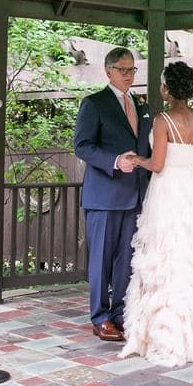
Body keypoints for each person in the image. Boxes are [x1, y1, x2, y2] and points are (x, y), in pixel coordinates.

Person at [118, 61, 193, 367]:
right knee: (190, 256)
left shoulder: (162, 120)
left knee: (164, 255)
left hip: (167, 190)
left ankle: (164, 334)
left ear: (168, 89)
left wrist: (138, 160)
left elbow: (157, 165)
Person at [73, 47, 152, 342]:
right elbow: (81, 146)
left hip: (135, 196)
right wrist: (116, 161)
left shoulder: (141, 105)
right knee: (101, 261)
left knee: (126, 260)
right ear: (107, 71)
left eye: (132, 70)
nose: (129, 75)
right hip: (104, 196)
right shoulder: (94, 104)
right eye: (123, 70)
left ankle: (120, 313)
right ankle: (100, 316)